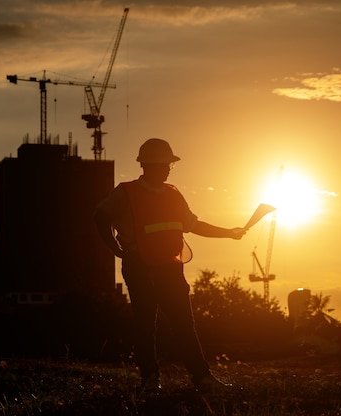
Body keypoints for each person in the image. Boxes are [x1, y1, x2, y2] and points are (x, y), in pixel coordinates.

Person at [94, 138, 247, 392]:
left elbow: (193, 225)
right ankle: (151, 379)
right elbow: (100, 217)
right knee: (145, 325)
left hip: (170, 268)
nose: (167, 169)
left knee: (183, 323)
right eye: (164, 164)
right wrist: (115, 249)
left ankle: (201, 377)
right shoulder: (126, 192)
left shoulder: (174, 195)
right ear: (148, 166)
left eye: (169, 165)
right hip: (139, 267)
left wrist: (228, 233)